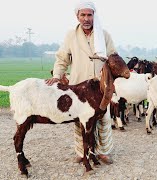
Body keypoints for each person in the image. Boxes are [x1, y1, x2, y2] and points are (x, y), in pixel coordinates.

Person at [45, 0, 116, 165]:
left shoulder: (104, 35)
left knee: (103, 118)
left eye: (89, 15)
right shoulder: (71, 35)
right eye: (82, 15)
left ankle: (103, 152)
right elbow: (62, 58)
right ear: (77, 16)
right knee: (79, 120)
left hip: (100, 86)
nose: (86, 18)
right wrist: (57, 75)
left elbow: (113, 58)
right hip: (79, 88)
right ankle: (81, 151)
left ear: (94, 16)